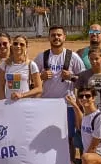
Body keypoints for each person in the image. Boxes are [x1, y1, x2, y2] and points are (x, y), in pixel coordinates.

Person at [34, 26, 85, 154]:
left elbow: (84, 80)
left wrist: (71, 77)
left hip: (67, 106)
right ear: (49, 37)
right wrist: (41, 77)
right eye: (53, 35)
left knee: (68, 138)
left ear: (64, 37)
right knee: (46, 138)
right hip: (46, 105)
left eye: (59, 35)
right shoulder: (41, 57)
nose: (56, 37)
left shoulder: (73, 57)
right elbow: (31, 80)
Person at [0, 35, 42, 100]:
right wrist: (3, 103)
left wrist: (22, 95)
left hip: (25, 104)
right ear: (12, 46)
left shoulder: (31, 65)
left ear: (26, 47)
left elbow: (39, 88)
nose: (18, 46)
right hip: (9, 104)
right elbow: (1, 87)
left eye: (22, 44)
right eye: (15, 44)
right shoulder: (5, 64)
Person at [75, 48, 101, 119]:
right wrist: (79, 117)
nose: (94, 61)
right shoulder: (83, 75)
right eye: (91, 59)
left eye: (96, 59)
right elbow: (78, 99)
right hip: (87, 117)